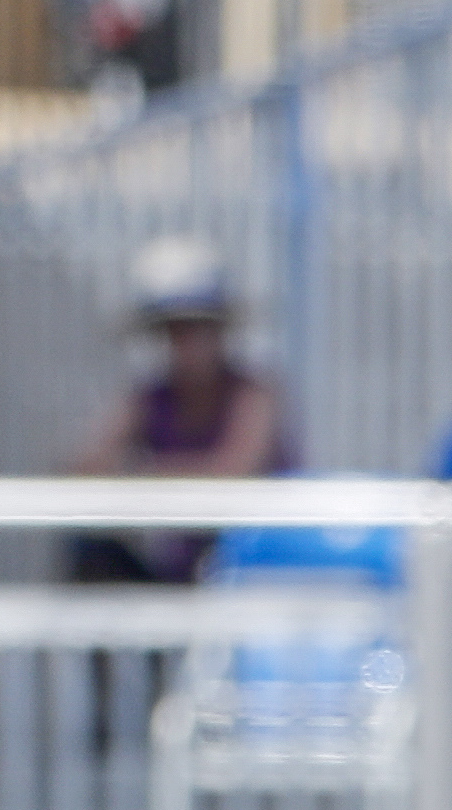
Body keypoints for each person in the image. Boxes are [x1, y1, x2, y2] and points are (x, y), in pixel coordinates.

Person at [59, 236, 291, 584]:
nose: (188, 343)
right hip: (179, 578)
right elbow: (83, 465)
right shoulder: (149, 398)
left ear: (221, 329)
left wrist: (140, 476)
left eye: (199, 326)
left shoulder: (253, 395)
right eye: (174, 330)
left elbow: (233, 472)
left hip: (251, 580)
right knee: (93, 552)